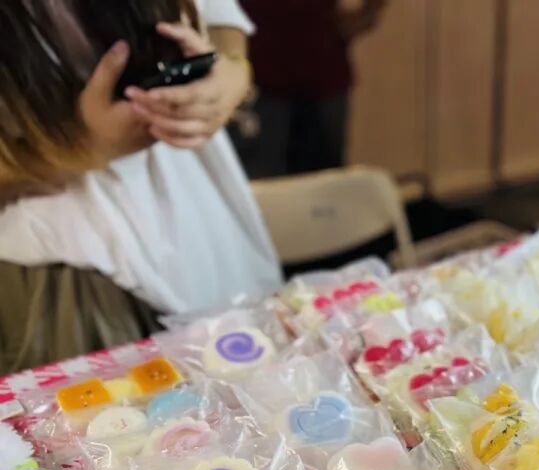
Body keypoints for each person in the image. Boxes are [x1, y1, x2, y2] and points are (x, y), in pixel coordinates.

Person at [0, 0, 281, 374]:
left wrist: (230, 76)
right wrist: (82, 148)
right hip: (70, 275)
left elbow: (222, 19)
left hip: (199, 227)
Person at [234, 0, 388, 179]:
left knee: (324, 184)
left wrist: (367, 15)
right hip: (257, 83)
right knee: (260, 182)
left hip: (320, 77)